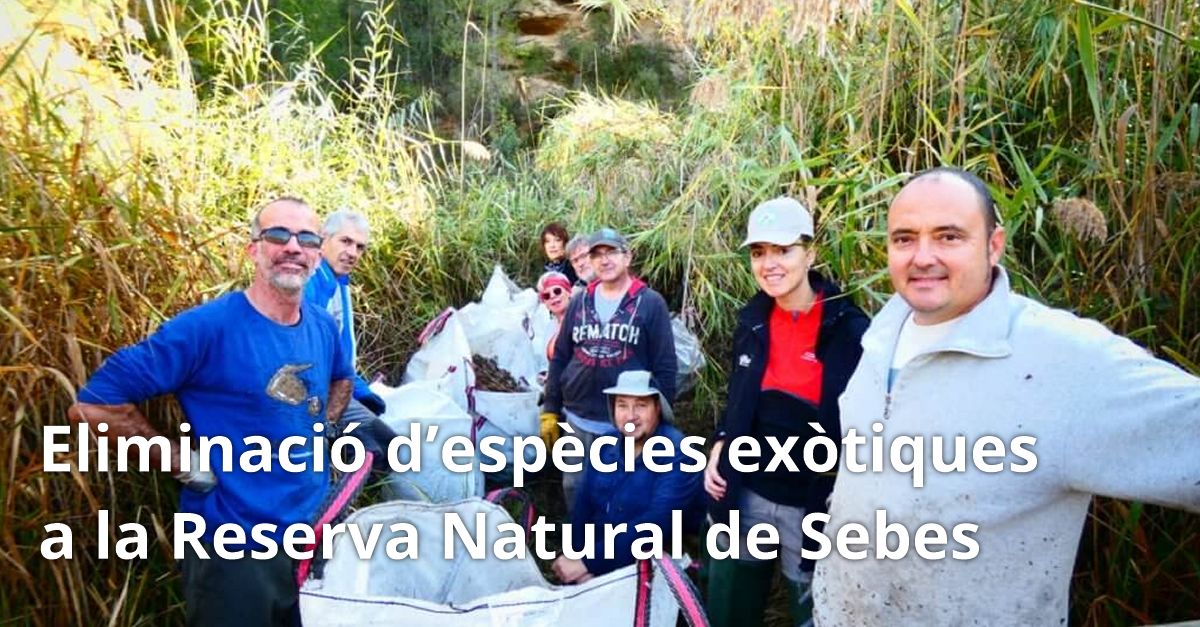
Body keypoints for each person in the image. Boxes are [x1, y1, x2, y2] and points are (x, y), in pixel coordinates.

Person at [812, 167, 1200, 626]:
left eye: (949, 237)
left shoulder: (1063, 359)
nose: (923, 257)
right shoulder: (881, 334)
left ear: (994, 245)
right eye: (904, 239)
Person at [67, 196, 354, 626]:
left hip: (311, 538)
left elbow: (342, 378)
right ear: (253, 249)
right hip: (233, 551)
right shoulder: (206, 329)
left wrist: (324, 430)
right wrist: (183, 463)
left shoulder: (321, 325)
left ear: (317, 252)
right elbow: (93, 405)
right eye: (278, 235)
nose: (293, 247)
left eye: (307, 238)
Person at [702, 197, 869, 627]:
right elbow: (738, 396)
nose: (769, 264)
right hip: (748, 491)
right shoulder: (752, 321)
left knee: (814, 606)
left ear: (810, 253)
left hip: (814, 503)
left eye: (783, 250)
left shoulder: (850, 330)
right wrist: (720, 443)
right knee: (731, 599)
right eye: (759, 253)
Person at [541, 228, 677, 511]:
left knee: (621, 493)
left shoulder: (650, 303)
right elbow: (561, 356)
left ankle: (621, 550)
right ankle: (580, 544)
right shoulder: (580, 301)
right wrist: (551, 409)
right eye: (596, 255)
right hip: (577, 417)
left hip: (624, 424)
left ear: (627, 257)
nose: (604, 260)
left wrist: (659, 421)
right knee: (575, 486)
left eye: (611, 252)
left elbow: (665, 367)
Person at [552, 370, 704, 582]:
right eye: (622, 405)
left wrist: (590, 563)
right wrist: (576, 556)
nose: (631, 415)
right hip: (605, 555)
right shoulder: (605, 447)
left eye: (641, 405)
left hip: (657, 562)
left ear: (657, 408)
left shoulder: (680, 454)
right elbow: (583, 508)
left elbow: (657, 522)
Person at [304, 209, 395, 468]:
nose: (353, 253)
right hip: (314, 395)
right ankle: (341, 496)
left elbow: (341, 353)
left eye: (360, 247)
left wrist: (363, 393)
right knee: (379, 450)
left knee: (385, 441)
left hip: (338, 387)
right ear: (323, 238)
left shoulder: (338, 282)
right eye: (345, 241)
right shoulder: (310, 282)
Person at [536, 270, 572, 359]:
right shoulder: (549, 327)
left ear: (569, 292)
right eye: (546, 296)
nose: (552, 296)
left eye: (557, 291)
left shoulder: (583, 319)